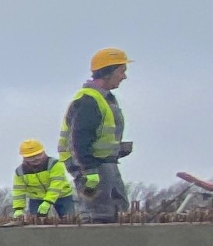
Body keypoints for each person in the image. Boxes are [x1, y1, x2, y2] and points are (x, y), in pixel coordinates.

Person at [59, 49, 132, 223]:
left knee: (118, 209)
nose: (124, 77)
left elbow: (99, 136)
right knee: (98, 215)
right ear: (108, 72)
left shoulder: (105, 98)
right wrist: (89, 170)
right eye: (121, 71)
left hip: (105, 163)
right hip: (93, 166)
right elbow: (79, 140)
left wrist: (117, 149)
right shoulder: (89, 100)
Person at [11, 139, 76, 219]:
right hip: (36, 199)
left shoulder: (54, 164)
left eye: (38, 155)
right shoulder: (20, 172)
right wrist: (18, 209)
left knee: (70, 219)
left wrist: (48, 202)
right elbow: (19, 191)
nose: (35, 159)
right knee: (35, 222)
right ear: (24, 157)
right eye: (30, 157)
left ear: (43, 152)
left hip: (62, 195)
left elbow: (56, 185)